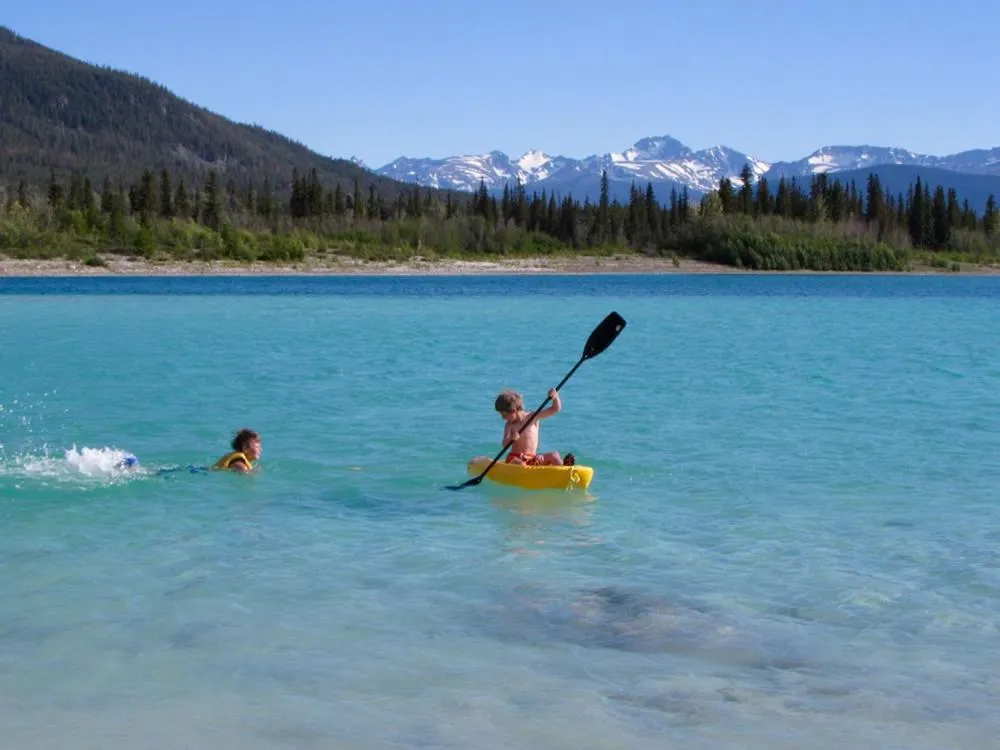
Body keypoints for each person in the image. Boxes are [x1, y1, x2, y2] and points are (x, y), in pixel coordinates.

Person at [495, 388, 574, 466]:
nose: (503, 418)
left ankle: (564, 470)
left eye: (504, 415)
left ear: (513, 410)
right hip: (515, 458)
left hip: (532, 458)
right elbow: (504, 444)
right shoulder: (509, 425)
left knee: (554, 455)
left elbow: (555, 409)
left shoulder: (533, 417)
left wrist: (555, 398)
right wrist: (511, 439)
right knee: (520, 464)